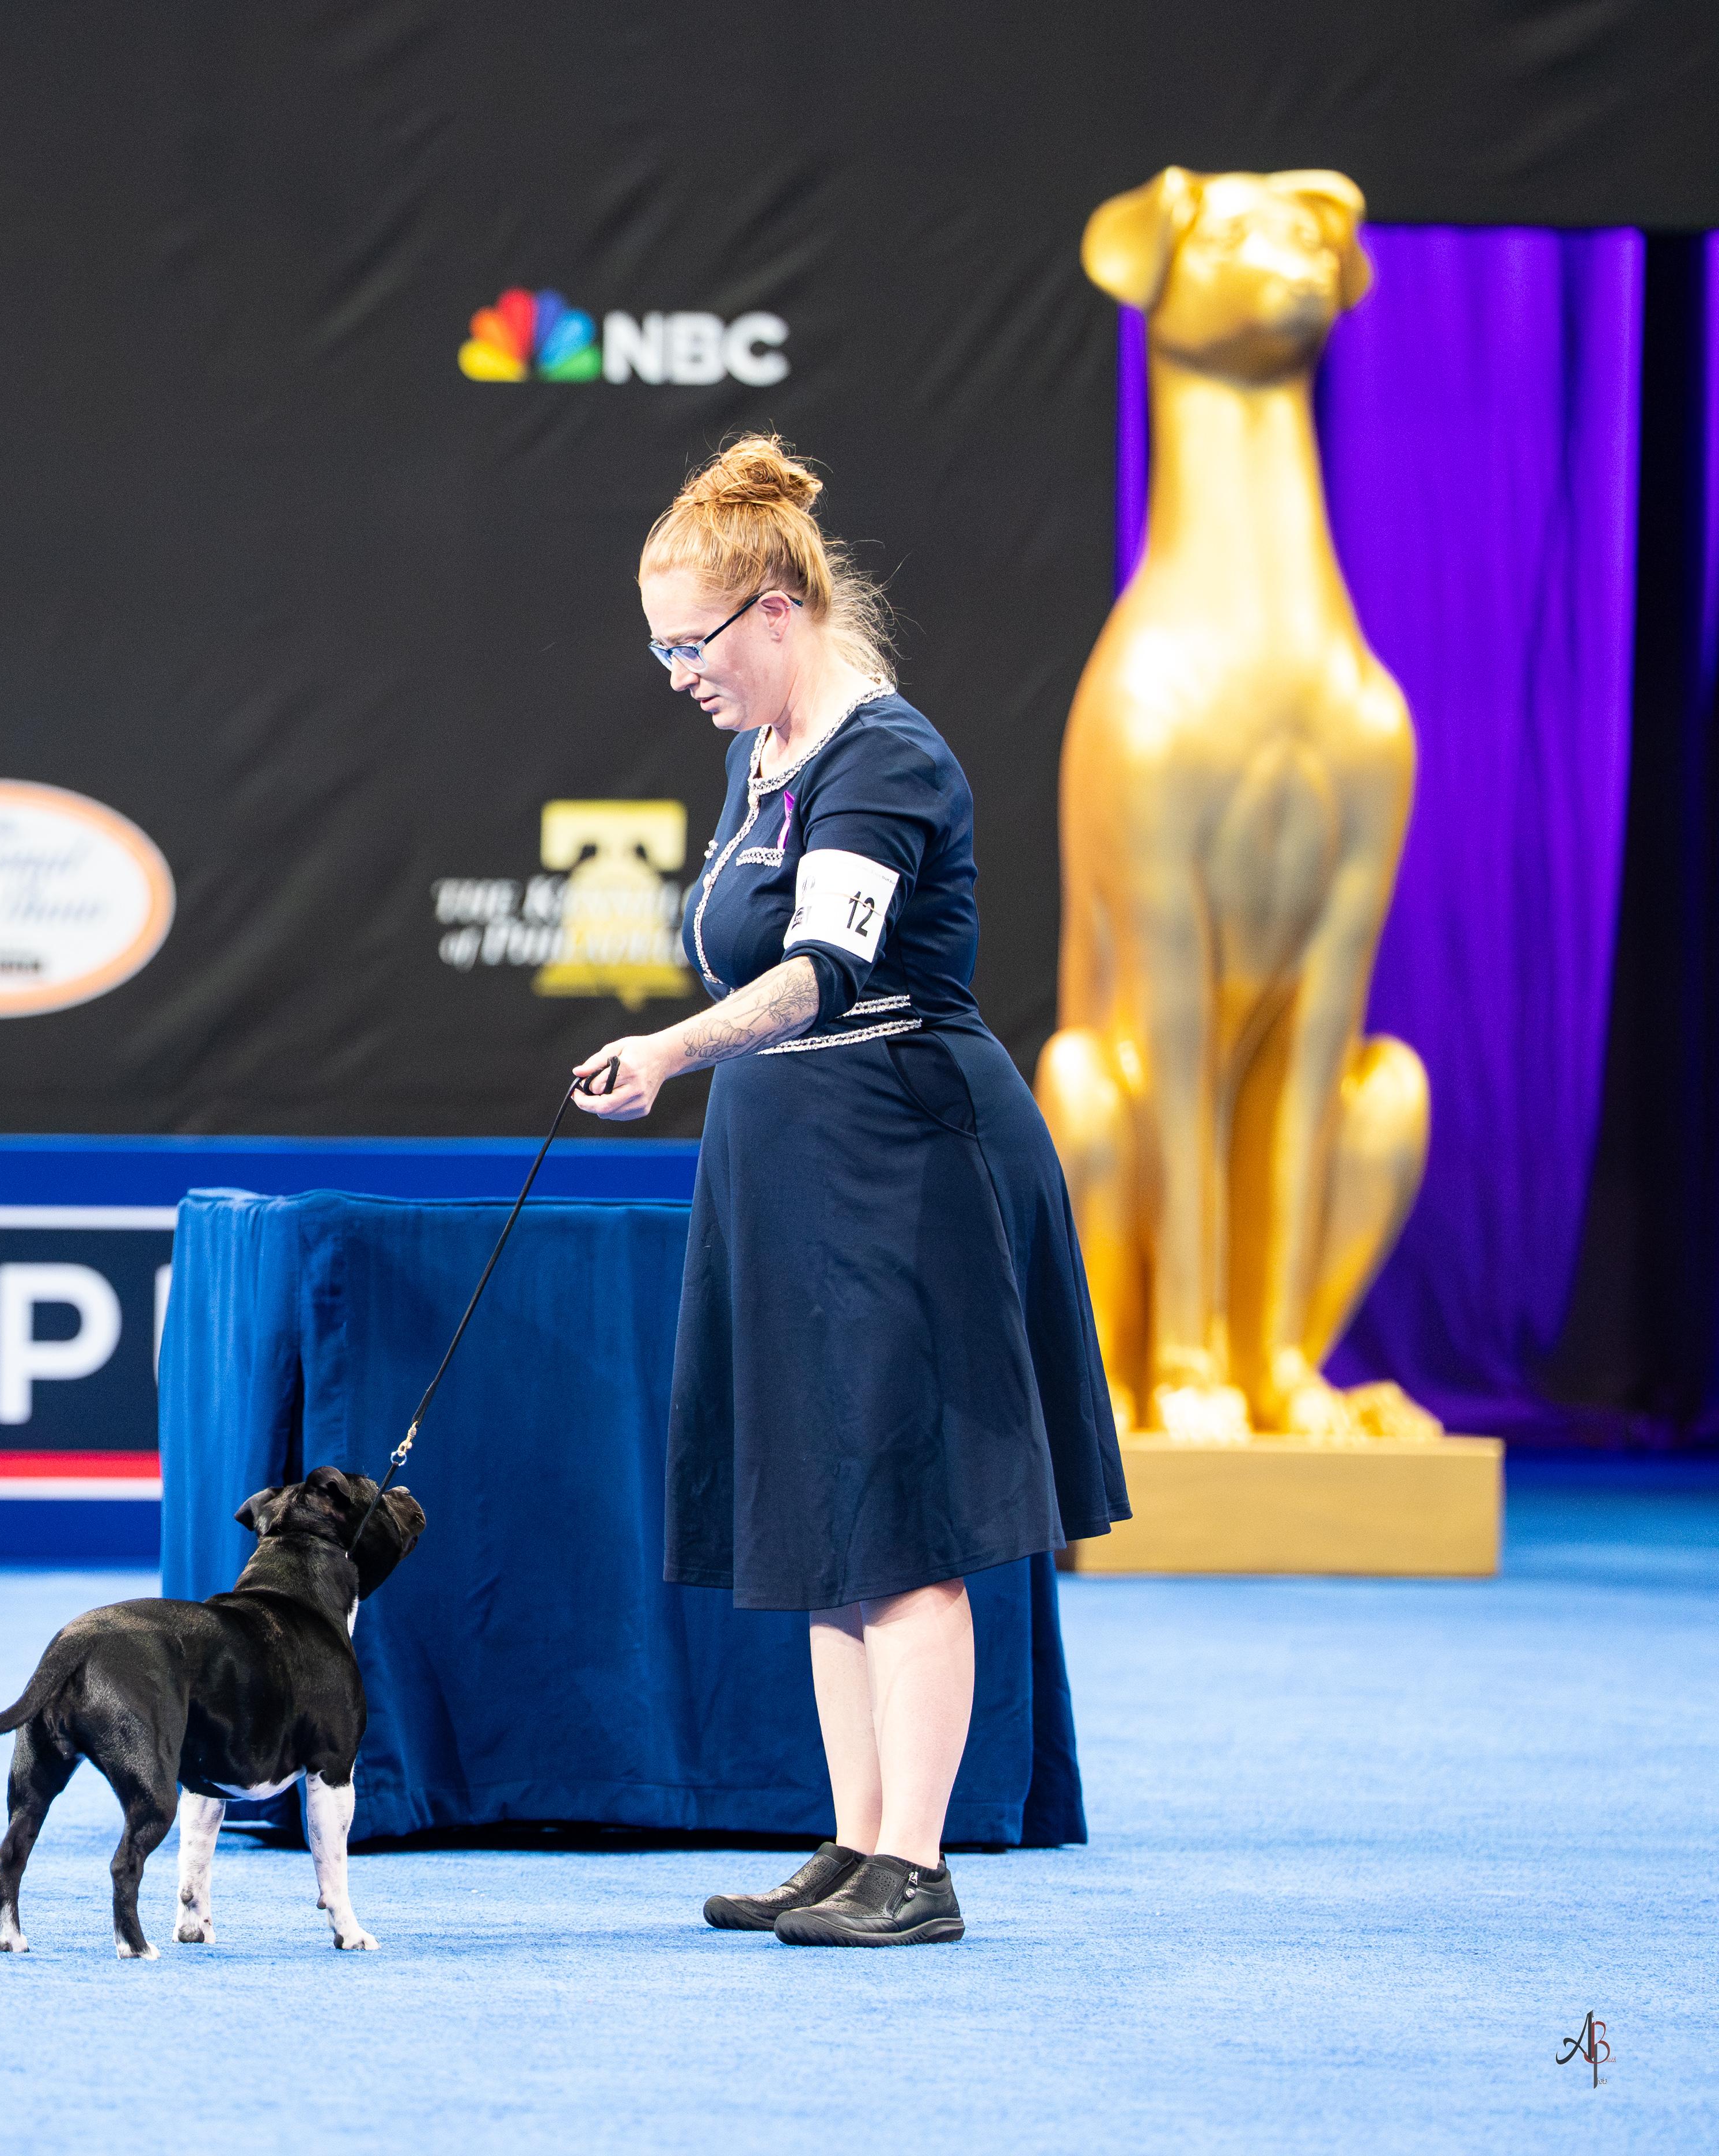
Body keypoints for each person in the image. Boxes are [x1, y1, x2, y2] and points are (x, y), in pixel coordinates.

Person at [572, 437, 1125, 1946]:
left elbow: (823, 971)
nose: (679, 673)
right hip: (790, 1162)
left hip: (906, 1158)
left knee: (904, 1521)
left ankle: (919, 1868)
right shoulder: (758, 755)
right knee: (825, 1522)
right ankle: (856, 1840)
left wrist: (669, 1050)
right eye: (660, 648)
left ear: (776, 610)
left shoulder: (884, 757)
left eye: (693, 643)